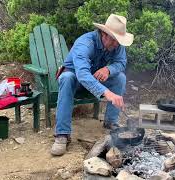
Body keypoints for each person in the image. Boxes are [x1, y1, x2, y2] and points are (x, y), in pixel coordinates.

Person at [51, 14, 134, 156]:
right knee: (67, 77)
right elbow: (82, 75)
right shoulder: (85, 43)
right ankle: (62, 135)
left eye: (119, 42)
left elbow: (121, 63)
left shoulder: (116, 44)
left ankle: (110, 122)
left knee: (120, 77)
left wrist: (108, 69)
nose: (117, 45)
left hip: (94, 81)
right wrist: (107, 93)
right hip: (75, 81)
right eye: (115, 41)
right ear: (104, 34)